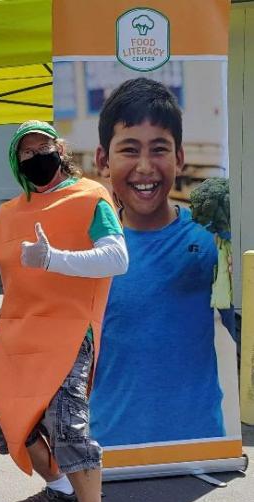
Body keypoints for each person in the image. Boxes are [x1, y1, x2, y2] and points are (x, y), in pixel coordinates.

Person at [0, 121, 128, 502]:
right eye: (27, 154)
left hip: (68, 329)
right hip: (17, 331)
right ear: (17, 163)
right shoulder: (9, 214)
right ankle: (60, 489)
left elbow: (118, 258)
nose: (38, 158)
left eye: (43, 148)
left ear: (60, 149)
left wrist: (55, 259)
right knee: (2, 415)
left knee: (68, 428)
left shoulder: (90, 197)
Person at [89, 78, 225, 445]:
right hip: (111, 451)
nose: (145, 167)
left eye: (159, 149)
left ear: (179, 158)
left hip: (200, 448)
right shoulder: (88, 252)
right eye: (130, 150)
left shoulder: (207, 240)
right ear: (103, 160)